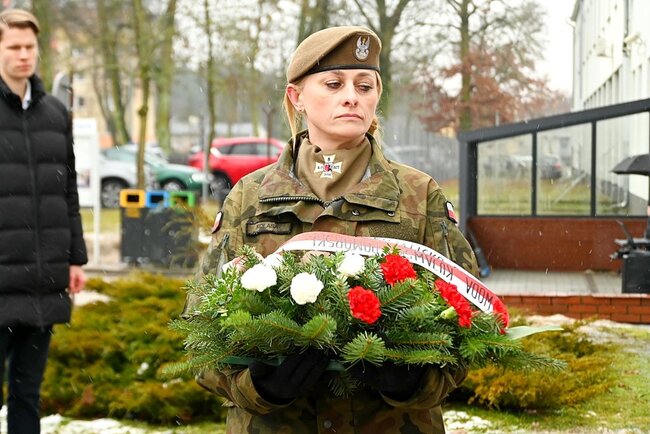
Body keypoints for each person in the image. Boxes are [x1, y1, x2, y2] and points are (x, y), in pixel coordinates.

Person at [185, 25, 478, 433]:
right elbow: (199, 329)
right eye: (334, 84)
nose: (352, 97)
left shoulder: (418, 194)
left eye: (364, 86)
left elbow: (468, 319)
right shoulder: (249, 196)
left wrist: (416, 381)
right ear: (297, 97)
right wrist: (259, 387)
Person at [0, 9, 87, 434]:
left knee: (27, 394)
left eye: (29, 47)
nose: (23, 55)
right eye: (14, 47)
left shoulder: (55, 113)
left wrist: (75, 259)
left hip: (43, 278)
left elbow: (67, 189)